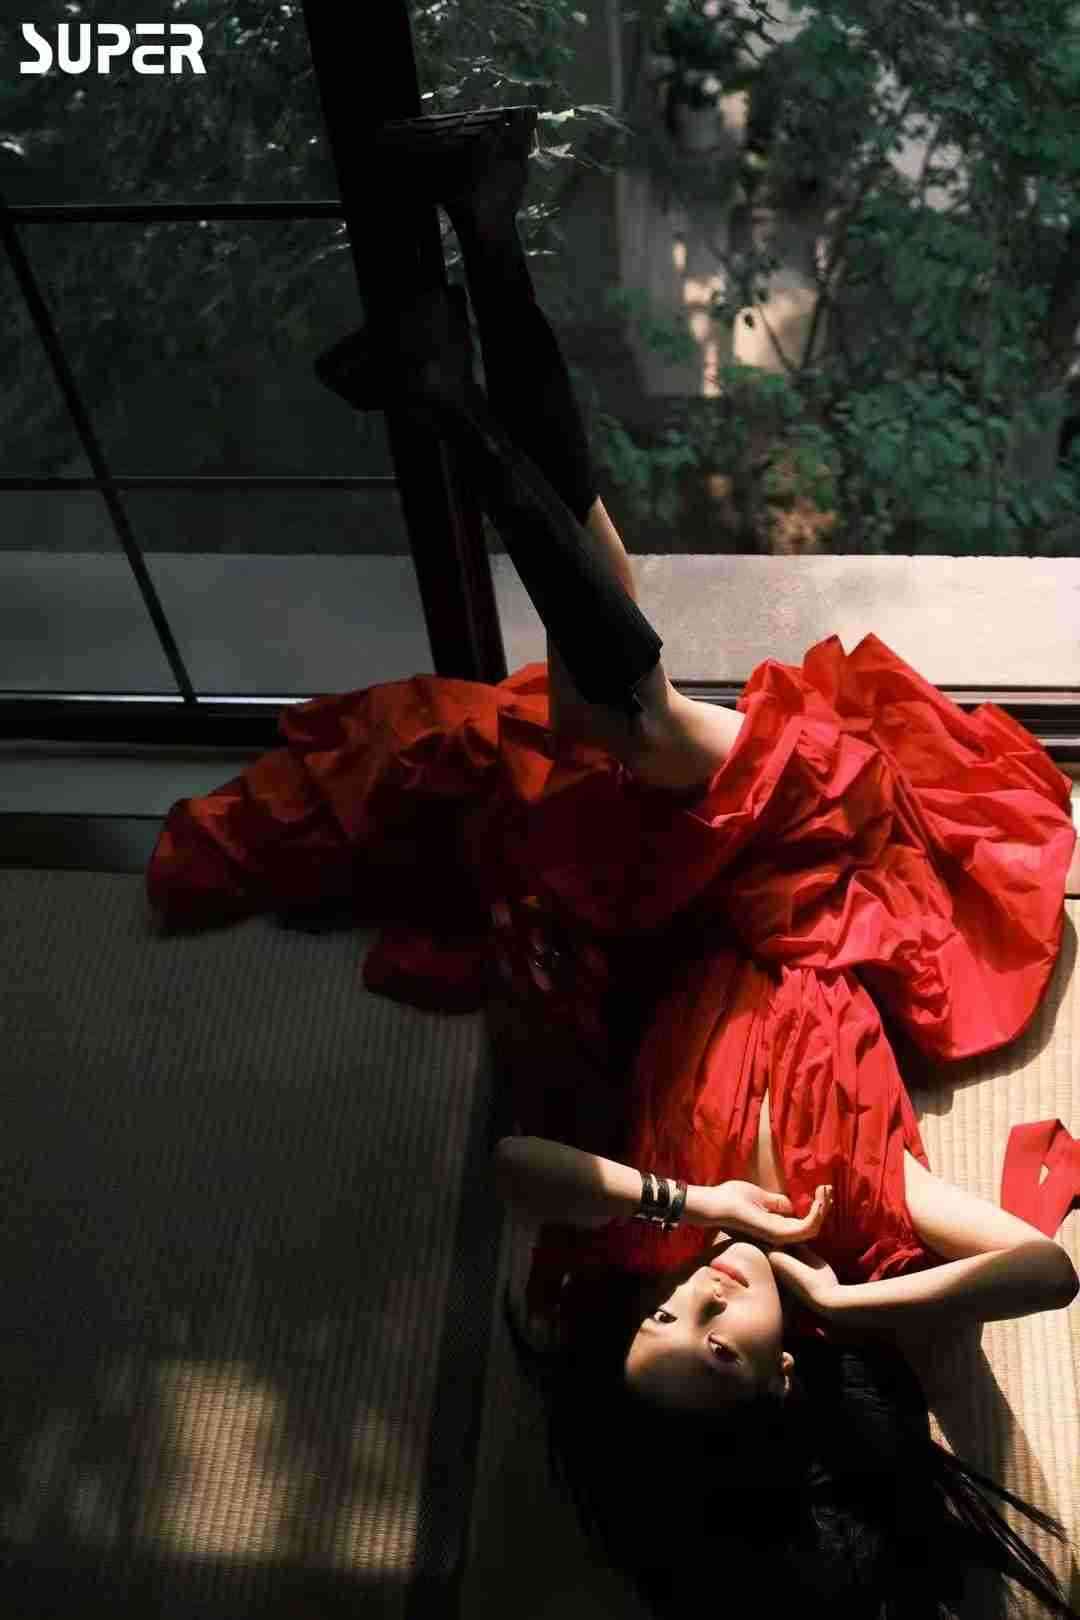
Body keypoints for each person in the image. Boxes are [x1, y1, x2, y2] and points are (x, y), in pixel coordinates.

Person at [147, 108, 1080, 1619]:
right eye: (722, 1351)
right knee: (625, 707)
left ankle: (489, 227)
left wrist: (684, 1193)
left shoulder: (652, 1226)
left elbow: (521, 1174)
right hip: (814, 867)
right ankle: (449, 389)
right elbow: (1046, 1273)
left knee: (594, 631)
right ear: (786, 1380)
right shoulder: (863, 1217)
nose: (701, 1306)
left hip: (682, 898)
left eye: (663, 1329)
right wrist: (849, 1295)